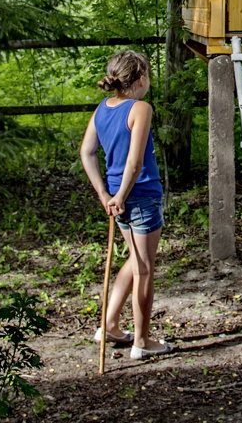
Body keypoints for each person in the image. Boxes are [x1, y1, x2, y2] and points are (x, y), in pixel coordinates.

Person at [79, 51, 173, 359]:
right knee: (144, 268)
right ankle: (142, 342)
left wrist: (106, 195)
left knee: (135, 260)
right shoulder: (140, 108)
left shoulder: (103, 108)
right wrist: (114, 197)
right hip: (140, 195)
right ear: (142, 78)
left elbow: (87, 153)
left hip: (118, 198)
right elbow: (134, 162)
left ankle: (109, 325)